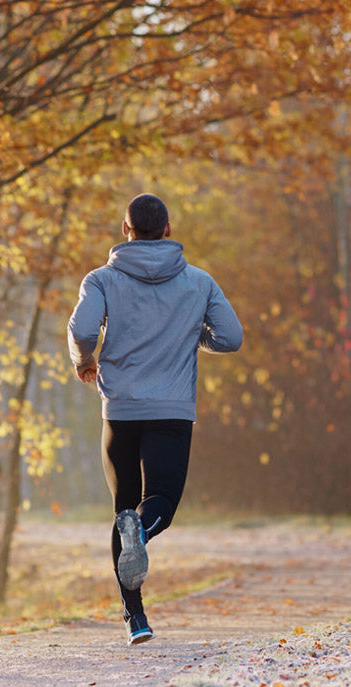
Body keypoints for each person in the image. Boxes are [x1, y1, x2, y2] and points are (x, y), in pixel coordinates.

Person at [67, 193, 243, 645]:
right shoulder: (199, 282)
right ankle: (141, 532)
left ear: (126, 231)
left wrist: (84, 361)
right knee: (159, 498)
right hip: (171, 410)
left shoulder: (101, 279)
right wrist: (190, 335)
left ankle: (135, 617)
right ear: (168, 230)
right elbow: (231, 337)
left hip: (120, 409)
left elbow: (83, 330)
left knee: (123, 506)